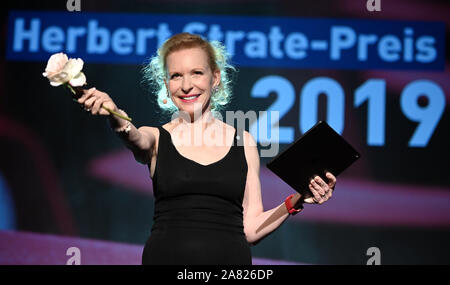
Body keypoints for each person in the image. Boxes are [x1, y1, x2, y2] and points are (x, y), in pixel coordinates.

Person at [76, 33, 336, 265]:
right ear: (166, 84)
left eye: (196, 73)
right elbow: (134, 137)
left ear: (215, 78)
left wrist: (298, 199)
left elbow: (251, 229)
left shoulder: (243, 142)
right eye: (176, 76)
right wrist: (114, 114)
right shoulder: (155, 138)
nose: (186, 85)